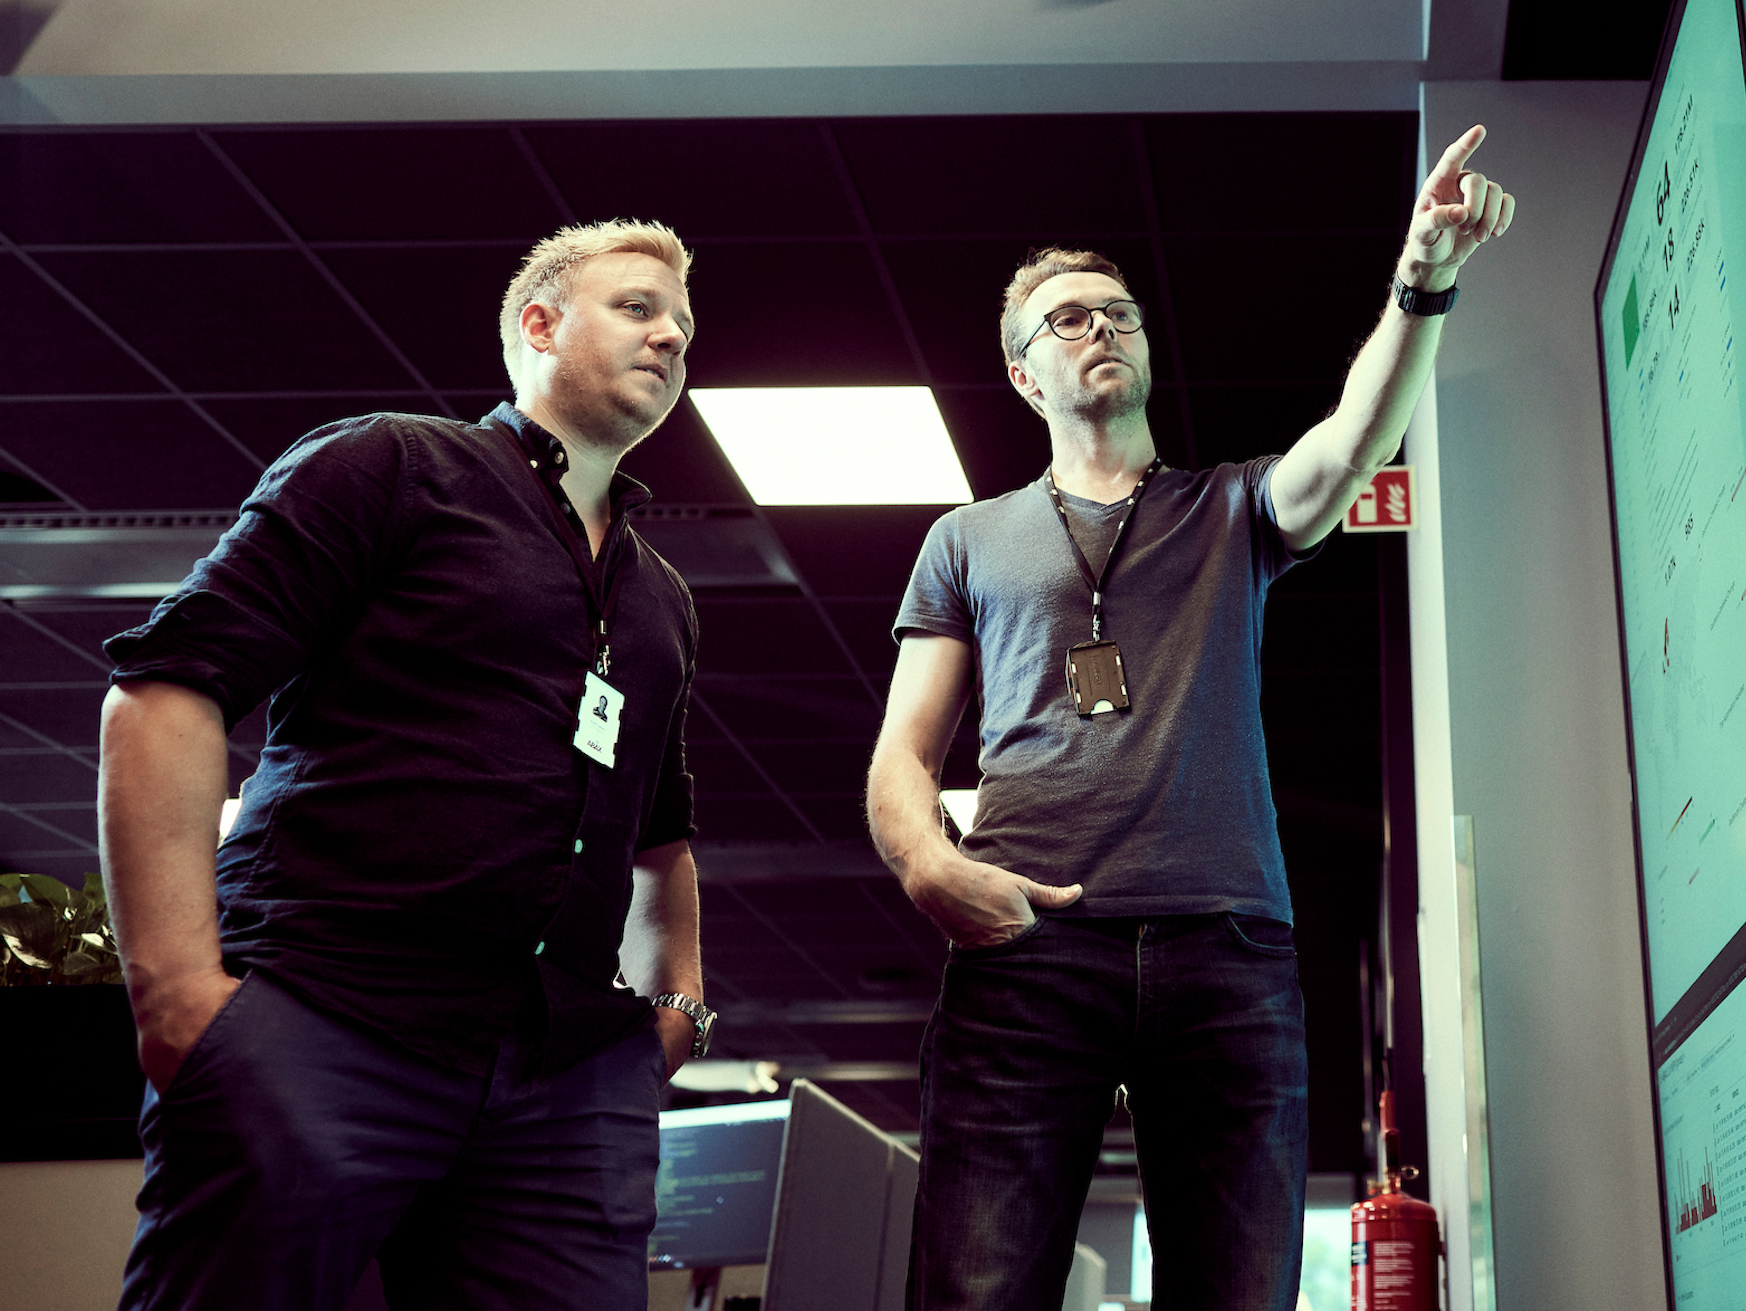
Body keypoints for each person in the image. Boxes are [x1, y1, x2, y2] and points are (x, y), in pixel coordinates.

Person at [866, 126, 1516, 1310]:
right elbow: (904, 753)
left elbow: (1354, 438)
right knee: (976, 1288)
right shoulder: (965, 539)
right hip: (1028, 945)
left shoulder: (1232, 508)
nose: (1101, 327)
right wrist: (927, 865)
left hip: (1227, 949)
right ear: (1022, 373)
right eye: (1067, 319)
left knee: (1237, 1291)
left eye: (1119, 312)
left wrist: (1424, 275)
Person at [97, 219, 716, 1311]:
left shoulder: (656, 592)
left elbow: (657, 831)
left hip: (562, 1076)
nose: (669, 334)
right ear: (539, 324)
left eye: (682, 321)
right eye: (635, 307)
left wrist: (675, 1004)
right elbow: (165, 693)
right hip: (330, 1016)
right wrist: (178, 994)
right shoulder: (391, 465)